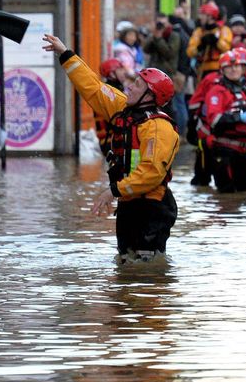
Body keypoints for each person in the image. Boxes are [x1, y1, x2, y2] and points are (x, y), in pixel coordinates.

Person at [44, 33, 179, 264]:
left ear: (150, 96)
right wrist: (66, 54)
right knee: (126, 262)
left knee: (147, 268)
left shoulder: (159, 129)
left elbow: (151, 173)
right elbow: (93, 88)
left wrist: (113, 191)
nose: (129, 87)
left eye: (136, 85)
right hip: (128, 201)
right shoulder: (122, 107)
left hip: (152, 206)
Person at [201, 48, 246, 193]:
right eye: (229, 67)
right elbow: (215, 120)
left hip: (244, 151)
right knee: (227, 196)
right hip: (225, 151)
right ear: (222, 70)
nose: (234, 70)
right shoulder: (217, 91)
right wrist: (239, 117)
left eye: (236, 66)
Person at [92, 58, 131, 156]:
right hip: (112, 143)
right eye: (120, 70)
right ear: (112, 74)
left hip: (111, 142)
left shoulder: (113, 90)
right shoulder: (110, 93)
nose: (124, 72)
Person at [187, 1, 232, 78]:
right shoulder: (198, 32)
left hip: (219, 70)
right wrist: (200, 46)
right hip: (202, 70)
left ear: (210, 16)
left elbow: (226, 49)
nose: (200, 17)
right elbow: (190, 52)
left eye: (203, 14)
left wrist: (216, 41)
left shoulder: (223, 30)